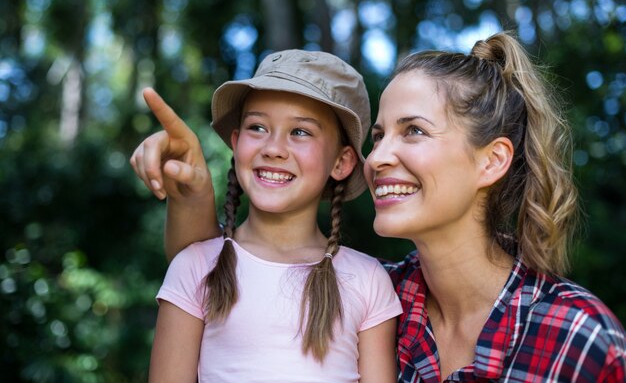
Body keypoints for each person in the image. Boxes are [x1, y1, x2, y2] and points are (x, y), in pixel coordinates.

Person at [132, 33, 626, 382]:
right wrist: (193, 192)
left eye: (412, 130)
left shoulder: (580, 339)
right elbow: (210, 271)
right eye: (379, 135)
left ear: (492, 161)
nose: (380, 157)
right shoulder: (385, 292)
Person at [133, 50, 403, 383]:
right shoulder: (194, 266)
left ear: (341, 162)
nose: (273, 148)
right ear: (236, 143)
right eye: (258, 127)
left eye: (300, 132)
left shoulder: (368, 280)